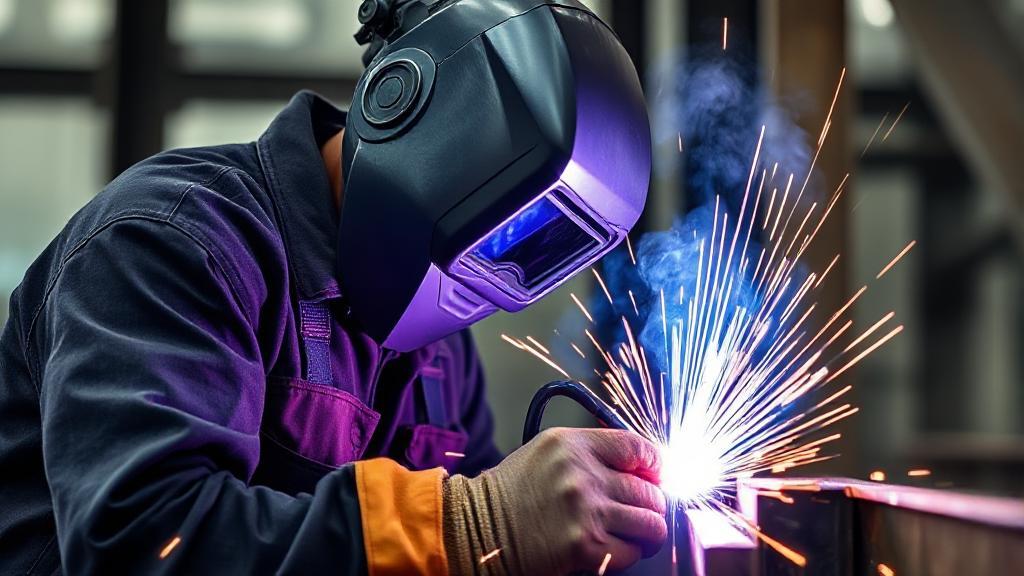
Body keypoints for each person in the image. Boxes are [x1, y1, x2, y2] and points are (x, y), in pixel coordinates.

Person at [0, 0, 666, 574]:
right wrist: (472, 526)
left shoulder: (436, 345)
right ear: (402, 105)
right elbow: (146, 544)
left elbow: (491, 530)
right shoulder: (171, 243)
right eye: (505, 227)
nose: (495, 272)